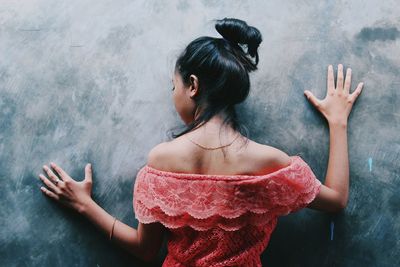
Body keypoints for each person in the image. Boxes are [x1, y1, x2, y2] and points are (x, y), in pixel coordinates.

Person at [38, 17, 364, 266]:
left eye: (173, 87)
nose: (173, 96)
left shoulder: (161, 161)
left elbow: (146, 250)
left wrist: (84, 204)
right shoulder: (269, 163)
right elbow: (336, 200)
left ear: (192, 85)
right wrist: (337, 121)